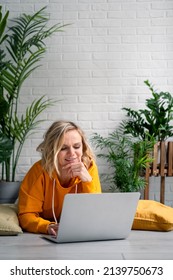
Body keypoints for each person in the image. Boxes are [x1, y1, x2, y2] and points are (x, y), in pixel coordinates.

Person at [18, 120, 102, 235]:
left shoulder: (89, 167)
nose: (72, 153)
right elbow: (26, 215)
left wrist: (88, 181)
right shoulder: (39, 172)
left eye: (77, 146)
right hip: (49, 233)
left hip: (79, 231)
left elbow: (96, 212)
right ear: (52, 150)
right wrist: (47, 226)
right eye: (63, 148)